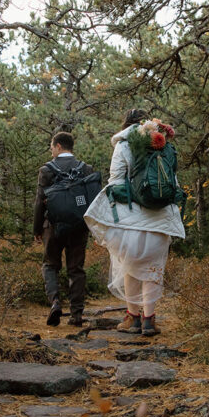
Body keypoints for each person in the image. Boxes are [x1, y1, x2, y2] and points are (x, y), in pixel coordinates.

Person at [84, 109, 185, 336]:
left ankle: (133, 319)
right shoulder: (164, 145)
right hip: (159, 218)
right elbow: (173, 181)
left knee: (130, 267)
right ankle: (150, 321)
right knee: (153, 269)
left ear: (126, 124)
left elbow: (115, 180)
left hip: (131, 220)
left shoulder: (123, 144)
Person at [34, 131, 95, 327]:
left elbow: (39, 203)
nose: (51, 150)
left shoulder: (46, 170)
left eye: (52, 146)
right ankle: (76, 315)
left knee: (50, 265)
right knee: (76, 269)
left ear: (59, 146)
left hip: (53, 226)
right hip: (79, 226)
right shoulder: (86, 168)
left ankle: (55, 302)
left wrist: (37, 229)